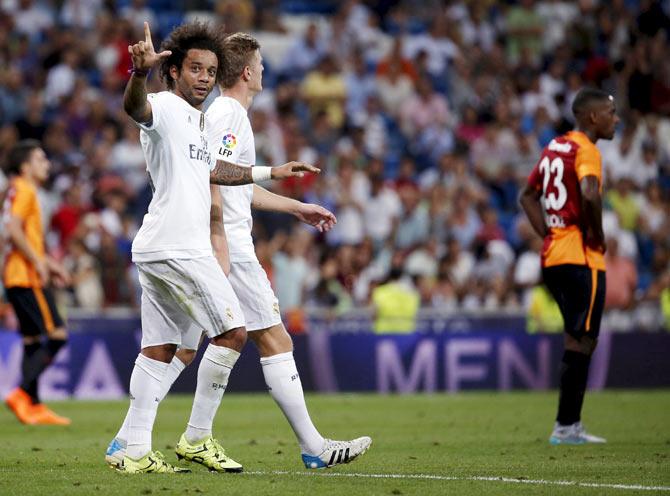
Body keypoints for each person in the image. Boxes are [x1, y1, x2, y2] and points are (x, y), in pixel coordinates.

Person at [106, 31, 371, 471]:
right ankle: (198, 438)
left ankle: (130, 446)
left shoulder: (198, 119)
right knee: (234, 333)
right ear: (172, 71)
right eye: (195, 69)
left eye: (210, 71)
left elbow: (215, 169)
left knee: (166, 348)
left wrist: (273, 175)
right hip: (187, 246)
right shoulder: (173, 106)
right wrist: (138, 71)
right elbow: (137, 108)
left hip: (166, 245)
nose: (205, 79)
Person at [519, 87, 619, 445]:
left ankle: (566, 425)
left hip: (553, 256)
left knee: (575, 339)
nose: (616, 119)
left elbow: (526, 195)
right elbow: (590, 193)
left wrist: (548, 232)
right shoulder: (586, 150)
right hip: (581, 256)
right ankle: (567, 427)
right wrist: (598, 235)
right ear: (592, 117)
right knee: (584, 342)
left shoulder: (554, 147)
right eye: (611, 112)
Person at [3, 140, 72, 426]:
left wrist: (51, 264)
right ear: (25, 166)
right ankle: (21, 394)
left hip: (15, 274)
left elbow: (19, 235)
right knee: (57, 336)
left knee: (32, 340)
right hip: (27, 275)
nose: (46, 164)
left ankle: (33, 405)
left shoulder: (15, 189)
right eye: (40, 159)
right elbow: (12, 229)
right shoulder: (26, 190)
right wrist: (40, 263)